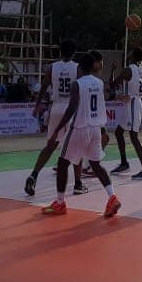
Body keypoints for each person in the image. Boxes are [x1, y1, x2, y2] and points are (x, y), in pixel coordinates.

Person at [39, 52, 121, 218]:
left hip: (79, 128)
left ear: (80, 68)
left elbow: (72, 108)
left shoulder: (77, 84)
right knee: (96, 165)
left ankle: (60, 203)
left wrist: (58, 128)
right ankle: (112, 197)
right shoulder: (99, 83)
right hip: (95, 128)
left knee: (62, 164)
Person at [24, 39, 85, 197]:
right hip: (70, 108)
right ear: (74, 52)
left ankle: (34, 175)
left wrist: (37, 105)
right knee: (76, 146)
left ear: (60, 51)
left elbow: (44, 87)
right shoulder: (77, 68)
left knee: (50, 146)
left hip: (56, 108)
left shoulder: (52, 67)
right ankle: (78, 183)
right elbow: (81, 90)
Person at [108, 48, 142, 179]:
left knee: (134, 136)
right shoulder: (141, 68)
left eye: (130, 53)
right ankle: (124, 162)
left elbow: (112, 84)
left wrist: (113, 69)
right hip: (132, 102)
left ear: (132, 56)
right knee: (118, 132)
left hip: (132, 103)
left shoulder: (128, 69)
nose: (128, 54)